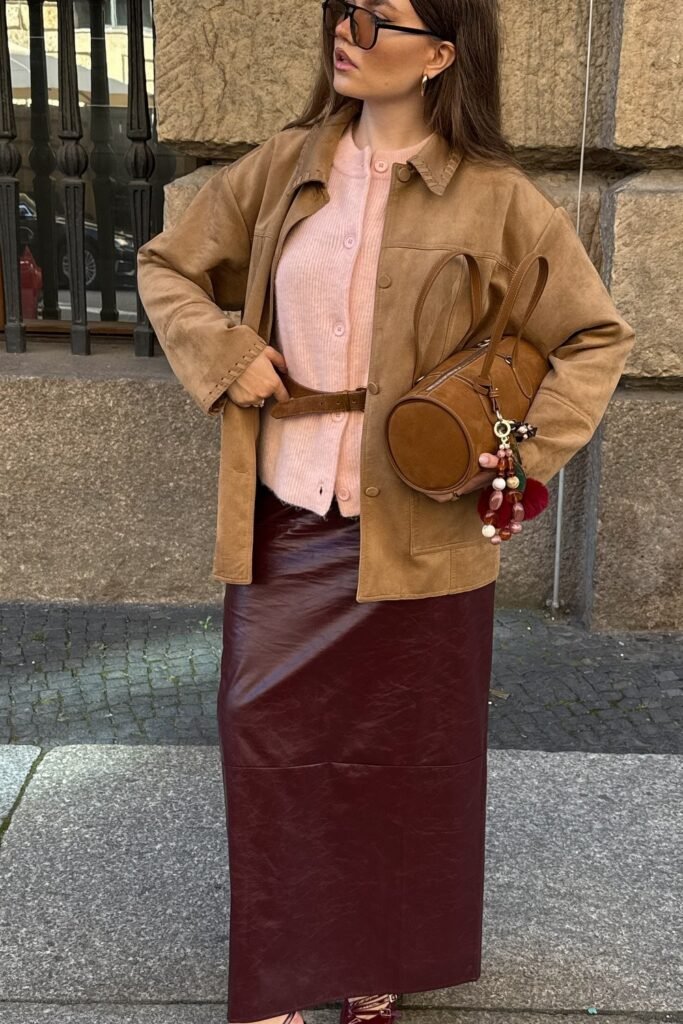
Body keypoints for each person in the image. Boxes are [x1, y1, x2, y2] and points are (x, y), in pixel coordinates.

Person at [136, 1, 635, 1023]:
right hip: (287, 526)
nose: (347, 31)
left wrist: (511, 455)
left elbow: (591, 337)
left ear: (440, 52)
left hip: (423, 537)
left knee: (400, 768)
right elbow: (168, 267)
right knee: (264, 742)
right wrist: (229, 356)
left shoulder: (499, 201)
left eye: (378, 18)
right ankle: (279, 984)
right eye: (343, 10)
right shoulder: (281, 167)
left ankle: (372, 964)